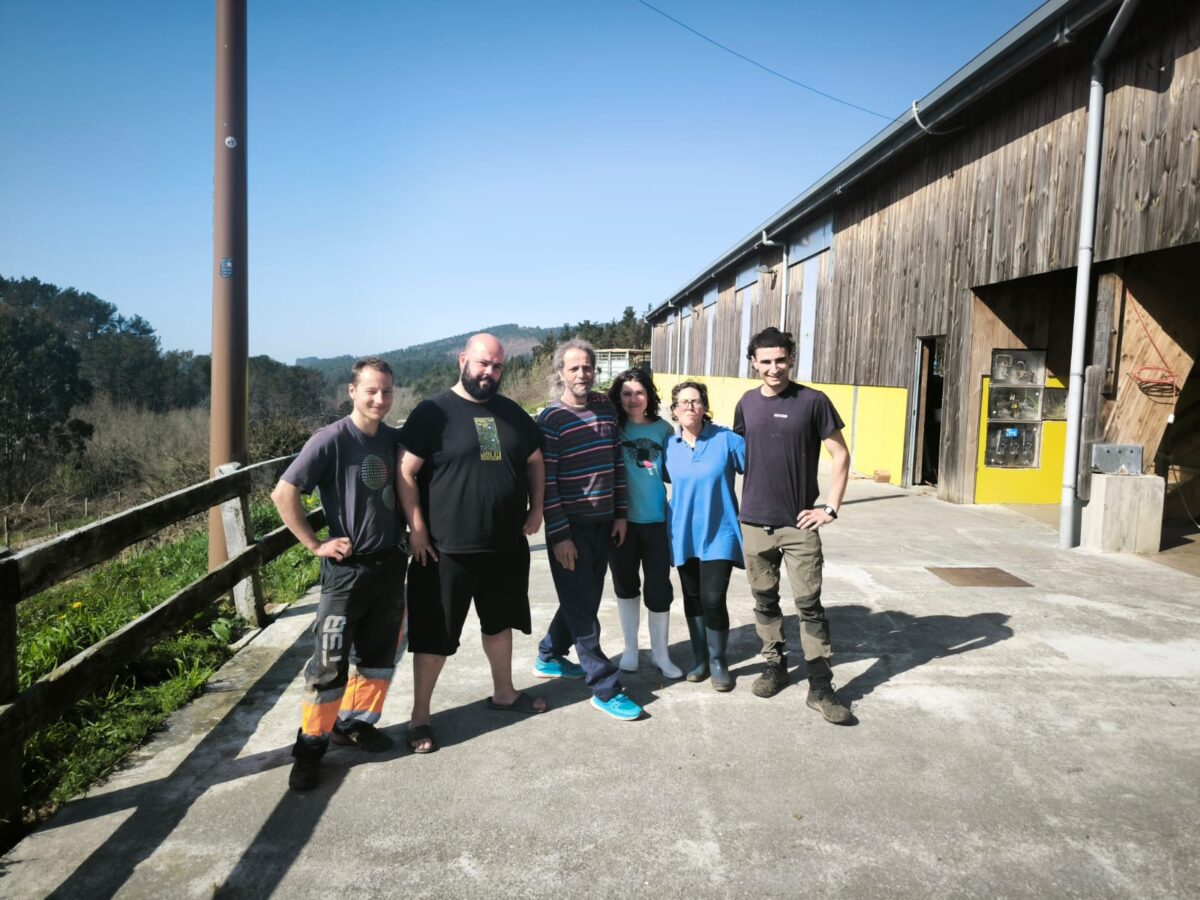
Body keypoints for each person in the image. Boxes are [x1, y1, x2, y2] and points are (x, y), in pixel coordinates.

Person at [398, 334, 548, 754]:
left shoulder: (513, 413)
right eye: (483, 363)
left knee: (499, 624)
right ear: (463, 360)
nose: (490, 372)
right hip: (444, 549)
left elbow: (535, 461)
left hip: (504, 547)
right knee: (435, 636)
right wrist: (417, 529)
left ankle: (505, 693)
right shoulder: (433, 412)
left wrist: (537, 508)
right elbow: (405, 471)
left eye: (497, 366)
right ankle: (420, 716)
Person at [272, 357, 407, 791]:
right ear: (352, 391)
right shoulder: (330, 439)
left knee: (379, 656)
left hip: (389, 565)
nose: (380, 399)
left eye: (386, 391)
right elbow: (284, 493)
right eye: (371, 390)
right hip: (347, 571)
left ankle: (354, 724)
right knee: (329, 661)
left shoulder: (394, 439)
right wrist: (315, 544)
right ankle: (310, 748)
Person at [734, 327, 853, 724]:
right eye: (766, 361)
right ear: (754, 363)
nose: (774, 368)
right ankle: (775, 665)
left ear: (791, 359)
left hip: (799, 524)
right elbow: (736, 454)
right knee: (764, 600)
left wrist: (830, 509)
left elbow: (840, 455)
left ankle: (820, 686)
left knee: (808, 605)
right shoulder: (746, 403)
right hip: (754, 521)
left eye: (781, 360)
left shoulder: (813, 401)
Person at [533, 339, 644, 721]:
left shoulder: (604, 408)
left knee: (583, 600)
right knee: (584, 612)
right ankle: (605, 687)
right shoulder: (550, 420)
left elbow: (615, 463)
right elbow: (546, 483)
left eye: (587, 367)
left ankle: (549, 654)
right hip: (571, 529)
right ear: (560, 372)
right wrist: (560, 535)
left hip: (604, 524)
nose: (582, 374)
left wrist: (620, 514)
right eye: (574, 368)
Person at [663, 381, 746, 692]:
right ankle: (700, 659)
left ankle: (718, 660)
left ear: (704, 406)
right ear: (674, 410)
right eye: (683, 402)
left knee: (713, 598)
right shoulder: (668, 447)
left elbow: (760, 470)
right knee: (693, 597)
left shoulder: (727, 440)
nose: (689, 406)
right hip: (683, 533)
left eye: (695, 401)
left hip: (720, 533)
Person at [606, 368, 681, 679]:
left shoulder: (664, 429)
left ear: (649, 396)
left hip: (656, 521)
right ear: (618, 397)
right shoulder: (612, 429)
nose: (633, 399)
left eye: (639, 392)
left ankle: (661, 653)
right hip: (621, 523)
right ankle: (631, 649)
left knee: (659, 588)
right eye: (626, 393)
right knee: (625, 585)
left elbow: (676, 471)